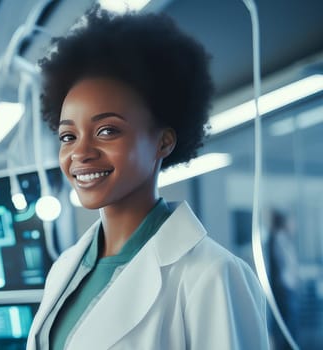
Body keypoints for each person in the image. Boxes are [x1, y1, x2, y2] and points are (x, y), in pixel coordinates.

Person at [26, 6, 269, 349]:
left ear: (164, 141)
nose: (80, 153)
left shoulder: (211, 274)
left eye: (107, 130)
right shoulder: (66, 268)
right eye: (68, 136)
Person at [268, 209, 300, 349]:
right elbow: (284, 267)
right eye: (292, 222)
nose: (294, 225)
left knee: (290, 325)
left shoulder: (284, 239)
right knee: (287, 326)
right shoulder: (278, 239)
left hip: (287, 289)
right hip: (284, 290)